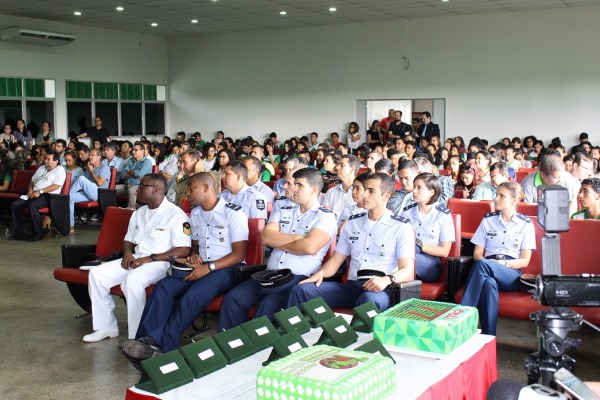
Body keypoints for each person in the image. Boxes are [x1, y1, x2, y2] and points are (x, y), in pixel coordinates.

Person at [120, 172, 248, 360]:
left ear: (206, 188)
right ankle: (147, 339)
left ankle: (165, 346)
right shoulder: (195, 213)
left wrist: (209, 267)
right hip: (199, 266)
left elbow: (239, 255)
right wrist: (195, 256)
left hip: (226, 269)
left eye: (191, 188)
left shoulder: (234, 213)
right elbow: (194, 246)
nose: (186, 192)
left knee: (192, 296)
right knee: (164, 287)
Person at [218, 168, 337, 330]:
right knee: (234, 298)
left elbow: (309, 247)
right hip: (270, 274)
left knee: (267, 306)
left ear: (314, 190)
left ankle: (258, 349)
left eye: (299, 185)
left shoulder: (325, 216)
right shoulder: (282, 206)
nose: (293, 189)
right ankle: (231, 345)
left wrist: (280, 240)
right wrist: (299, 238)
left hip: (296, 278)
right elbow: (266, 238)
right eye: (293, 184)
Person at [84, 174, 191, 342]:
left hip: (161, 263)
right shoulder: (139, 213)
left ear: (156, 189)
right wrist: (127, 253)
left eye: (142, 186)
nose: (138, 189)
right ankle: (106, 327)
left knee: (132, 280)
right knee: (97, 274)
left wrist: (152, 258)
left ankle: (137, 336)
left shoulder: (176, 215)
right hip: (137, 258)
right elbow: (129, 240)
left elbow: (184, 249)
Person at [287, 173, 415, 312]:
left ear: (386, 196)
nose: (364, 195)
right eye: (364, 189)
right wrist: (320, 273)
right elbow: (336, 260)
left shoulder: (401, 227)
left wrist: (387, 280)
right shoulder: (353, 223)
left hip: (380, 290)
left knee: (368, 300)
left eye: (371, 191)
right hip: (352, 286)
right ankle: (292, 331)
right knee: (301, 290)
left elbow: (408, 271)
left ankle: (352, 333)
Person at [460, 182, 536, 335]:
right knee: (489, 283)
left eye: (502, 196)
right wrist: (489, 264)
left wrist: (501, 264)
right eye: (496, 194)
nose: (496, 199)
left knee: (483, 265)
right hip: (487, 270)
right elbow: (477, 254)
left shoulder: (525, 225)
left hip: (510, 273)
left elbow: (524, 261)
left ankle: (462, 317)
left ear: (514, 200)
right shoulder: (488, 221)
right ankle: (489, 337)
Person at [400, 173, 454, 282]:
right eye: (414, 186)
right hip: (408, 256)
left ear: (431, 192)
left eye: (419, 188)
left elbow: (444, 251)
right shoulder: (407, 213)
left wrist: (419, 244)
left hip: (431, 265)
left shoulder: (443, 216)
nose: (414, 191)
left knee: (404, 255)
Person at [9, 151, 66, 241]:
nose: (46, 161)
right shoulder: (42, 168)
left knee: (33, 206)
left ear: (56, 161)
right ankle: (18, 231)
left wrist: (40, 191)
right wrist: (30, 190)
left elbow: (56, 186)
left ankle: (37, 232)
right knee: (15, 205)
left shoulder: (60, 170)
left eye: (48, 159)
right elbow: (31, 182)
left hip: (49, 196)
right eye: (45, 158)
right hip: (34, 193)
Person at [520, 152, 579, 217]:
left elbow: (572, 202)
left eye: (560, 177)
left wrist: (567, 222)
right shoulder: (528, 184)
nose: (559, 180)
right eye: (555, 178)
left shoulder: (566, 178)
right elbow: (526, 212)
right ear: (543, 174)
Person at [68, 149, 112, 233]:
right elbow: (84, 184)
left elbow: (99, 183)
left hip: (99, 193)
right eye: (90, 155)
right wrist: (90, 170)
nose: (90, 157)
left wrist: (91, 171)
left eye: (92, 155)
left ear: (99, 157)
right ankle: (70, 225)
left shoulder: (104, 168)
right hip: (88, 193)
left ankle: (63, 196)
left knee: (81, 178)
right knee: (70, 198)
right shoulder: (89, 167)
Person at [322, 154, 358, 225]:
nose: (337, 167)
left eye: (342, 165)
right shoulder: (331, 192)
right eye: (338, 164)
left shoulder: (362, 192)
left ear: (352, 169)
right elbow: (324, 215)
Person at [118, 142, 153, 209]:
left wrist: (128, 170)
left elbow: (140, 174)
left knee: (131, 190)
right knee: (112, 190)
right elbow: (122, 174)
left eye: (136, 150)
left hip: (139, 185)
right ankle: (111, 210)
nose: (133, 152)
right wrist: (133, 174)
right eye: (133, 149)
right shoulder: (131, 160)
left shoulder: (147, 162)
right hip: (126, 184)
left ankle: (131, 209)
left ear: (142, 151)